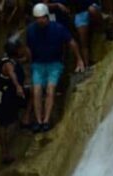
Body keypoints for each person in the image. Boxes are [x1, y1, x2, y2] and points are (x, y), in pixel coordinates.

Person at [26, 2, 84, 133]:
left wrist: (79, 60)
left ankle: (46, 120)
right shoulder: (31, 30)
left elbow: (72, 43)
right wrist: (30, 64)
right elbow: (29, 49)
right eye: (37, 19)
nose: (40, 21)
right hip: (38, 64)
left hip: (54, 63)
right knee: (36, 91)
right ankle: (38, 120)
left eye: (42, 18)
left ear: (47, 17)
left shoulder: (58, 28)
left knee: (50, 89)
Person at [0, 39, 26, 164]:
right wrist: (18, 87)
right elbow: (12, 74)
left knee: (9, 120)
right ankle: (5, 152)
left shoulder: (10, 60)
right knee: (3, 123)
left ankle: (22, 121)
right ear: (16, 51)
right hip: (1, 96)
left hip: (8, 94)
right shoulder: (8, 64)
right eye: (21, 48)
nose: (23, 49)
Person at [69, 1, 105, 67]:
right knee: (83, 41)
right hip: (80, 12)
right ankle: (87, 64)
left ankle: (104, 28)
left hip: (92, 6)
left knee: (92, 9)